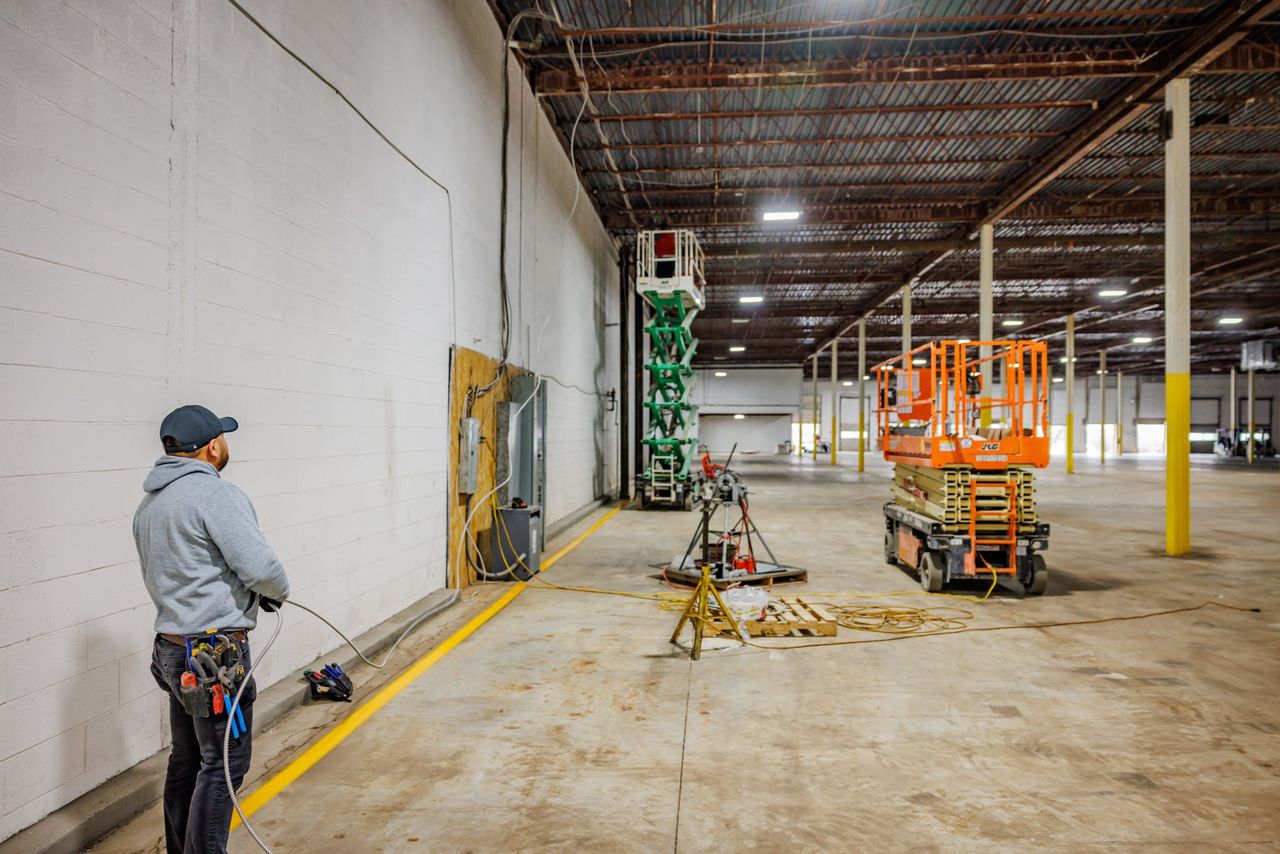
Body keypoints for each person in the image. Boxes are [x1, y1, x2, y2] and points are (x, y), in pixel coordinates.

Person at [134, 404, 290, 854]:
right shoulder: (215, 494)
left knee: (187, 759)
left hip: (172, 650)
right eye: (222, 438)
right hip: (215, 657)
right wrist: (276, 591)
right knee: (223, 764)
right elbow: (261, 568)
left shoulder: (150, 504)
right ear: (212, 447)